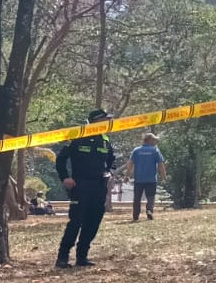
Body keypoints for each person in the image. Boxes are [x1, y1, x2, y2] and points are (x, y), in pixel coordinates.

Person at [55, 108, 116, 268]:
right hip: (80, 185)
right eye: (105, 120)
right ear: (96, 121)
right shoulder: (77, 136)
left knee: (93, 221)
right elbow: (61, 159)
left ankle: (82, 256)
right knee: (76, 221)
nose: (108, 122)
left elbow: (111, 160)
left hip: (99, 186)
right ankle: (62, 257)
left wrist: (109, 172)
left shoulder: (105, 139)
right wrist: (65, 177)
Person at [126, 133, 167, 221]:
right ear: (149, 140)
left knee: (137, 198)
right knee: (150, 197)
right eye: (154, 140)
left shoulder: (136, 151)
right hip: (151, 179)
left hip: (139, 179)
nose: (155, 142)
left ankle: (135, 215)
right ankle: (149, 210)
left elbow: (130, 164)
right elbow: (160, 165)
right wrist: (164, 176)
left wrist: (127, 175)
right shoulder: (155, 151)